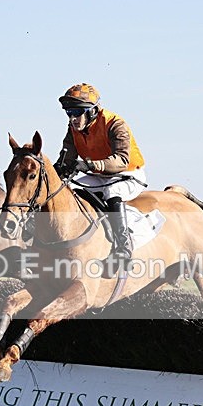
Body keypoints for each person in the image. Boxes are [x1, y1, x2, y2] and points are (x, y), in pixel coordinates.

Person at [53, 83, 146, 268]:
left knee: (112, 191)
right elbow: (66, 159)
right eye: (69, 112)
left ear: (93, 111)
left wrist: (88, 164)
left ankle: (123, 246)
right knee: (70, 190)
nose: (73, 118)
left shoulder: (115, 124)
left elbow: (121, 160)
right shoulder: (73, 129)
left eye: (77, 112)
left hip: (127, 175)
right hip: (98, 175)